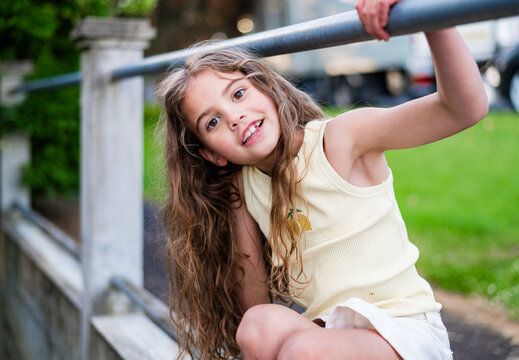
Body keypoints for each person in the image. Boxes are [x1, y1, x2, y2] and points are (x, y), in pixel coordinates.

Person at [157, 0, 488, 359]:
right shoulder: (246, 186)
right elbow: (253, 305)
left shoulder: (340, 140)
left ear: (266, 87)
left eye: (238, 94)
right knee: (256, 326)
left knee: (302, 349)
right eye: (212, 122)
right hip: (328, 337)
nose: (234, 117)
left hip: (403, 332)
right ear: (212, 154)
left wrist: (430, 16)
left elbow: (463, 109)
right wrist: (236, 208)